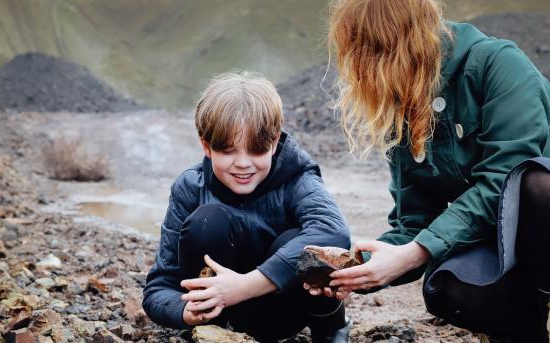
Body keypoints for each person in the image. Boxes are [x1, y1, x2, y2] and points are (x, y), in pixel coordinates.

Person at [306, 0, 550, 341]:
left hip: (542, 223)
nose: (358, 68)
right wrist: (356, 269)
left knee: (537, 186)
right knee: (448, 288)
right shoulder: (404, 108)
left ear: (398, 42)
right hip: (501, 242)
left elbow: (504, 183)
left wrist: (415, 252)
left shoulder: (499, 66)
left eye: (366, 51)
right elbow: (414, 223)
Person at [143, 72, 352, 342]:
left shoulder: (298, 178)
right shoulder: (190, 187)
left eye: (256, 150)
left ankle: (332, 326)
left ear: (275, 142)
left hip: (282, 314)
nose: (243, 163)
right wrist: (186, 310)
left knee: (306, 244)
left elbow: (335, 231)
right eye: (229, 151)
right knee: (206, 221)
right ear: (206, 146)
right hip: (220, 313)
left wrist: (245, 286)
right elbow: (158, 288)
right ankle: (213, 330)